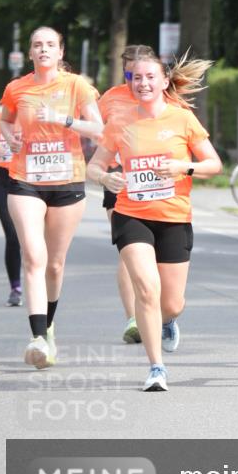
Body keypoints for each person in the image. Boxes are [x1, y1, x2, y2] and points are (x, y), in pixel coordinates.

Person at [87, 49, 222, 392]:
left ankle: (168, 321)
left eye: (150, 77)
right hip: (131, 212)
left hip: (174, 216)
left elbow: (214, 165)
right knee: (146, 289)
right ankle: (156, 367)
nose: (143, 83)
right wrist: (105, 179)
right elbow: (94, 166)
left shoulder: (182, 119)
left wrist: (183, 167)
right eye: (137, 78)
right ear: (129, 81)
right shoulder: (120, 121)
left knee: (171, 302)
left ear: (164, 82)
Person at [0, 26, 103, 369]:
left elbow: (100, 130)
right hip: (24, 178)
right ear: (30, 53)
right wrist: (11, 139)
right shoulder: (17, 88)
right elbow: (6, 121)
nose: (43, 49)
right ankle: (38, 337)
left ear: (60, 52)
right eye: (37, 45)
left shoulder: (76, 86)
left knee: (55, 264)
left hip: (67, 180)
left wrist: (64, 119)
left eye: (49, 45)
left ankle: (50, 324)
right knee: (33, 255)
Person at [98, 45, 159, 345]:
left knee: (157, 254)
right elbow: (96, 132)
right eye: (129, 72)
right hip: (119, 182)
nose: (137, 79)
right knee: (128, 252)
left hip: (159, 185)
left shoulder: (161, 91)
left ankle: (157, 310)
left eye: (142, 70)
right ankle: (133, 318)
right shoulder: (110, 98)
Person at [0, 108, 23, 306]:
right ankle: (15, 288)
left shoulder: (32, 118)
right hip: (3, 181)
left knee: (31, 238)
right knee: (12, 235)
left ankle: (41, 283)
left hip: (26, 181)